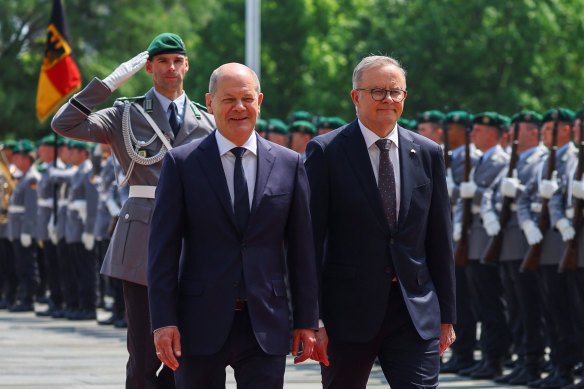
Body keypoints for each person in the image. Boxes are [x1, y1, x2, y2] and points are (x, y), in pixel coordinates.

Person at [52, 33, 215, 389]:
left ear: (186, 65)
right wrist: (107, 84)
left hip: (194, 237)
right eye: (162, 62)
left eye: (176, 61)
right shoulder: (126, 113)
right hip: (144, 232)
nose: (170, 69)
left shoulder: (207, 120)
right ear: (148, 68)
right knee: (143, 355)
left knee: (187, 354)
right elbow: (64, 124)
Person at [148, 62, 319, 388]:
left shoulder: (289, 163)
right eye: (228, 100)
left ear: (259, 101)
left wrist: (308, 321)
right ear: (210, 103)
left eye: (246, 98)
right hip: (197, 323)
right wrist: (163, 321)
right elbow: (162, 251)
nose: (239, 107)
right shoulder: (181, 163)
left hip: (266, 323)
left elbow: (302, 251)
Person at [305, 55, 456, 389]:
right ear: (355, 97)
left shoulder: (427, 152)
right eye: (377, 91)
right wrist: (310, 317)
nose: (388, 99)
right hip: (347, 314)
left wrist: (446, 315)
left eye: (395, 91)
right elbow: (309, 241)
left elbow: (439, 238)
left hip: (414, 311)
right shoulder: (326, 152)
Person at [481, 111, 548, 385]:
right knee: (518, 308)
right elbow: (491, 194)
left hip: (527, 244)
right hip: (508, 243)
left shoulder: (541, 160)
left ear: (533, 133)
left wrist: (517, 192)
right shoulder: (516, 160)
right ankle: (523, 360)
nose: (511, 136)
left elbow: (538, 195)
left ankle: (533, 362)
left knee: (532, 308)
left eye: (518, 131)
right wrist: (489, 213)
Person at [517, 108, 580, 388]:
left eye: (549, 129)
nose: (543, 133)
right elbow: (551, 196)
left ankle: (568, 367)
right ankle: (560, 367)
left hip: (570, 244)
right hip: (551, 243)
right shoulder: (551, 160)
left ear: (563, 130)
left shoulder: (573, 157)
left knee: (574, 312)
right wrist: (550, 220)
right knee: (554, 312)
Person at [454, 112, 512, 379]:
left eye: (478, 130)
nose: (473, 134)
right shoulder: (480, 160)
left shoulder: (502, 160)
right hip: (474, 241)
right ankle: (488, 357)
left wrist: (473, 193)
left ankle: (496, 358)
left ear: (493, 133)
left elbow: (497, 196)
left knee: (491, 303)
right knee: (480, 304)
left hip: (489, 240)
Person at [8, 139, 40, 312]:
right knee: (20, 265)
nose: (14, 161)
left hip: (24, 230)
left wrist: (27, 231)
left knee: (27, 265)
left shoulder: (31, 178)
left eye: (18, 157)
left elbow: (31, 209)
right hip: (17, 229)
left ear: (26, 159)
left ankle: (28, 298)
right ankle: (24, 297)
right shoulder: (22, 177)